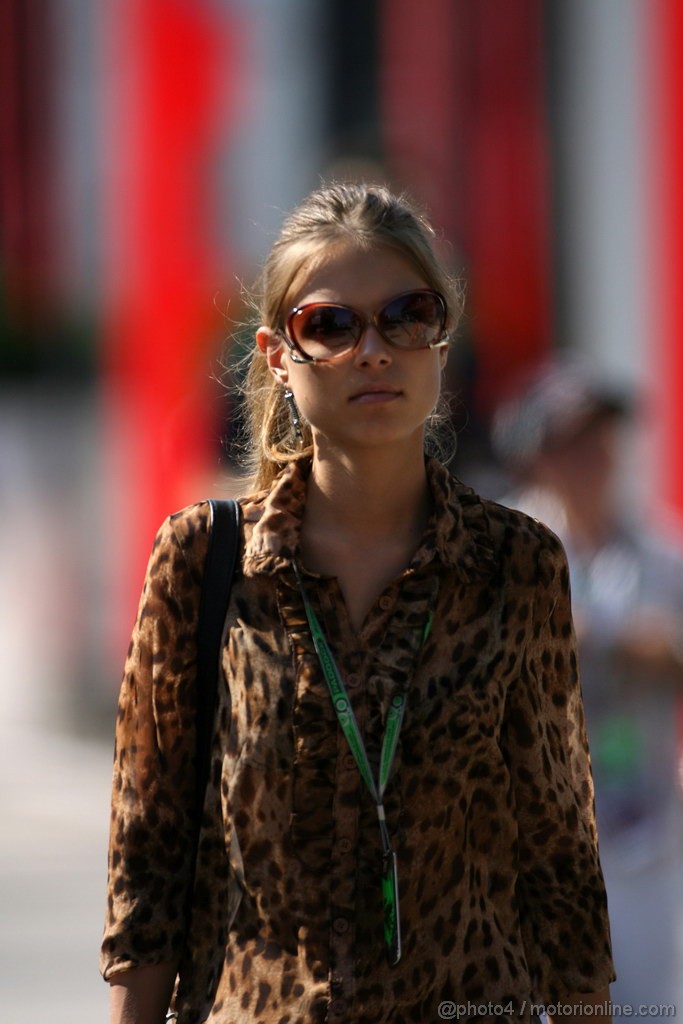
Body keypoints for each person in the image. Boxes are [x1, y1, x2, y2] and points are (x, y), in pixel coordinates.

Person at [101, 183, 615, 1024]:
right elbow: (145, 862)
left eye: (406, 316)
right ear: (276, 354)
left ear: (442, 340)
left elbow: (558, 856)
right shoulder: (203, 560)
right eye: (331, 325)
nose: (373, 350)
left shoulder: (516, 564)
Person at [492, 361, 683, 1012]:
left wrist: (660, 652)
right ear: (538, 456)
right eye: (572, 441)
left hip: (643, 829)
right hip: (535, 839)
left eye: (601, 438)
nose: (593, 457)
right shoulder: (508, 553)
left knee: (646, 1005)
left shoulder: (661, 556)